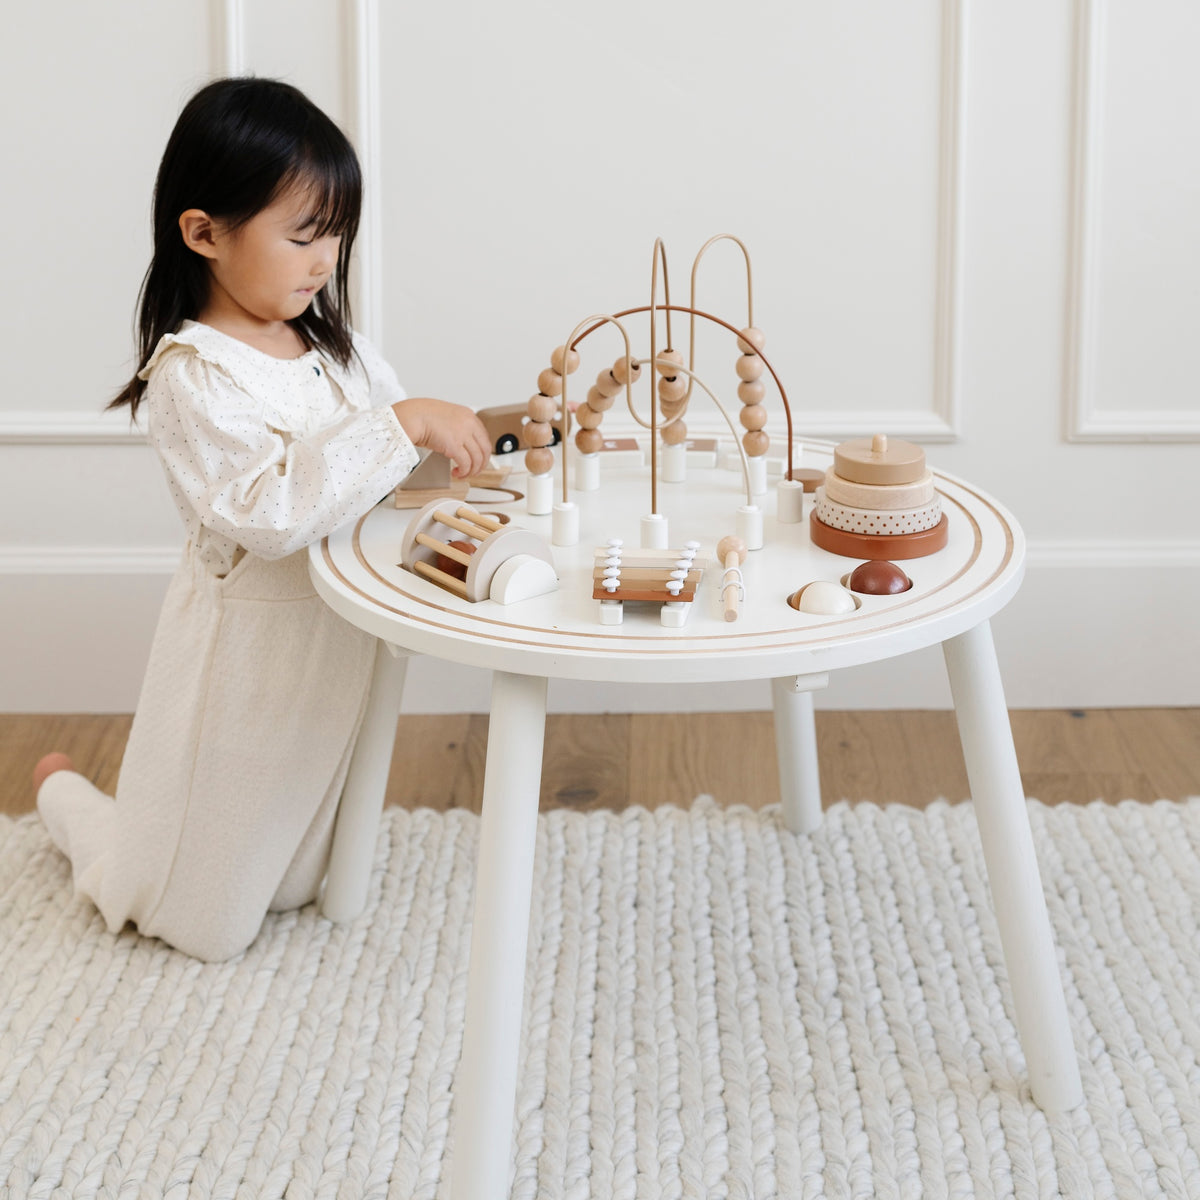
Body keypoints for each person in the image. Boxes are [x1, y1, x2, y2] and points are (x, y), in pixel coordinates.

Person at [32, 77, 490, 961]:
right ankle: (75, 810)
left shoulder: (328, 344)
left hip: (334, 628)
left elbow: (392, 457)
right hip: (244, 652)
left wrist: (475, 448)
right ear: (205, 234)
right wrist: (399, 426)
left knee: (295, 855)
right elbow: (269, 510)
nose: (327, 259)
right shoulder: (194, 375)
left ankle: (234, 860)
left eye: (337, 234)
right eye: (303, 235)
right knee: (196, 917)